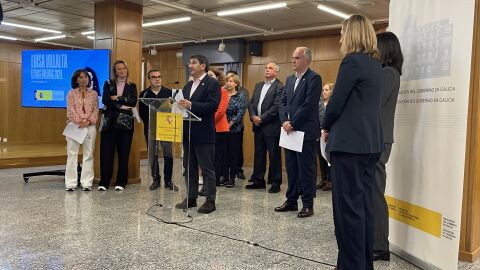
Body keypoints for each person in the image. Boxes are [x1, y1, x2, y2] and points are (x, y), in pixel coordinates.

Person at [322, 14, 384, 270]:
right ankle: (361, 263)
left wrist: (325, 125)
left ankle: (350, 265)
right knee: (364, 207)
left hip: (349, 145)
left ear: (353, 34)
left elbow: (336, 103)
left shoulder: (352, 62)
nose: (341, 37)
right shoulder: (375, 65)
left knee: (347, 211)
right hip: (370, 144)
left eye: (343, 32)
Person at [275, 47, 322, 218]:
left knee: (306, 170)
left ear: (307, 60)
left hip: (304, 132)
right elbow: (282, 102)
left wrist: (293, 123)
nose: (293, 61)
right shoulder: (289, 80)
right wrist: (284, 122)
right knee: (292, 168)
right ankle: (292, 201)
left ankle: (308, 204)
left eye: (297, 58)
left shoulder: (314, 78)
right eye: (292, 57)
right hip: (289, 131)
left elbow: (309, 105)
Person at [175, 55, 220, 214]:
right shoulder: (187, 86)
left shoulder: (212, 83)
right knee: (189, 167)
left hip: (203, 133)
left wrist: (191, 104)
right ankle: (191, 197)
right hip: (188, 132)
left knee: (207, 168)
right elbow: (183, 107)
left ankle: (210, 200)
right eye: (190, 63)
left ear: (203, 66)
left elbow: (213, 106)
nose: (190, 65)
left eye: (194, 63)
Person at [372, 31, 403, 262]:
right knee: (372, 191)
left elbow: (372, 103)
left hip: (379, 140)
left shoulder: (388, 73)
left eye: (376, 46)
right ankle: (375, 241)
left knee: (375, 193)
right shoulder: (385, 73)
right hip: (376, 138)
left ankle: (381, 246)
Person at [98, 60, 138, 191]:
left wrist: (117, 98)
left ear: (127, 70)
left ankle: (121, 182)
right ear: (115, 72)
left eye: (124, 68)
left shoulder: (132, 85)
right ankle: (104, 182)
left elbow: (133, 102)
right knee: (106, 154)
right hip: (109, 123)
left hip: (125, 124)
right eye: (118, 69)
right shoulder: (108, 84)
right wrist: (121, 105)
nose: (122, 71)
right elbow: (105, 100)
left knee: (123, 154)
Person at [245, 61, 284, 193]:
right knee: (259, 155)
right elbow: (251, 103)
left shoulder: (279, 86)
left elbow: (277, 106)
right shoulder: (258, 85)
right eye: (266, 68)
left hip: (271, 126)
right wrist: (253, 117)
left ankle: (275, 182)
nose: (267, 70)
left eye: (270, 68)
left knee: (274, 156)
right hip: (258, 126)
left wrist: (261, 118)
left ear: (276, 72)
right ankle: (258, 180)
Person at [139, 69, 179, 191]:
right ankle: (155, 179)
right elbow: (142, 113)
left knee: (168, 154)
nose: (157, 79)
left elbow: (174, 109)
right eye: (154, 77)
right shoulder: (144, 94)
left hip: (166, 128)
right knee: (153, 155)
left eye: (159, 76)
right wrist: (152, 124)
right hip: (151, 128)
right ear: (149, 79)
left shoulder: (169, 93)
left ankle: (168, 181)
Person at [65, 69, 99, 191]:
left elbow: (96, 110)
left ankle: (86, 183)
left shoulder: (94, 94)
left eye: (86, 77)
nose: (84, 79)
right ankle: (71, 183)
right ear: (76, 80)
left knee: (88, 154)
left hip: (89, 127)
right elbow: (70, 110)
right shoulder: (71, 93)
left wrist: (88, 122)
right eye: (80, 77)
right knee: (72, 154)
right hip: (74, 127)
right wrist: (79, 121)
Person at [199, 68, 229, 196]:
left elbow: (220, 111)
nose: (209, 78)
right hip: (205, 128)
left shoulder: (223, 91)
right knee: (205, 160)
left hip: (219, 129)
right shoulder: (203, 91)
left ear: (218, 78)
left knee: (215, 159)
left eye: (211, 75)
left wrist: (204, 120)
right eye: (207, 75)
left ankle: (212, 186)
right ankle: (205, 185)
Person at [224, 74, 247, 188]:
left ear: (236, 84)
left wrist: (230, 124)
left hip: (235, 129)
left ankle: (232, 178)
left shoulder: (240, 96)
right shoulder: (223, 94)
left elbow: (240, 113)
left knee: (233, 154)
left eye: (231, 81)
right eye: (228, 81)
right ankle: (225, 176)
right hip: (222, 128)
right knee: (224, 153)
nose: (229, 83)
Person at [317, 82, 334, 191]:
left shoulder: (333, 104)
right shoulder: (320, 104)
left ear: (332, 91)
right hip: (319, 134)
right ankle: (323, 179)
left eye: (327, 90)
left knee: (329, 158)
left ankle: (330, 180)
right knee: (321, 157)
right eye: (323, 90)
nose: (324, 92)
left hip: (329, 134)